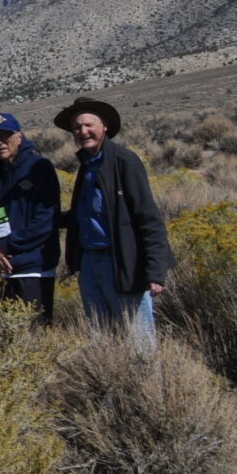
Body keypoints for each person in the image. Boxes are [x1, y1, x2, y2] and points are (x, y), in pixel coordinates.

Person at [57, 97, 172, 346]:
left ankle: (145, 384)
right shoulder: (86, 166)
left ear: (104, 126)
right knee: (101, 337)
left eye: (89, 125)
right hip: (90, 263)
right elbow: (83, 213)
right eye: (77, 128)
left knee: (138, 338)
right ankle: (110, 382)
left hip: (122, 261)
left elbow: (148, 217)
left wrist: (155, 271)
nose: (83, 132)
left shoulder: (124, 161)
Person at [0, 113, 62, 318]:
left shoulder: (39, 168)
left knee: (32, 337)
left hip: (31, 268)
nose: (0, 142)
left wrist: (5, 246)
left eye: (6, 136)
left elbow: (46, 220)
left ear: (19, 136)